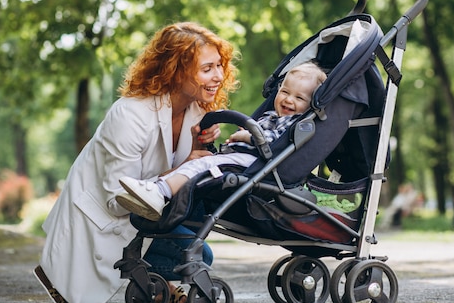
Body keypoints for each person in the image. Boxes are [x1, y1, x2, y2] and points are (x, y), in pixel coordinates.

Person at [33, 22, 239, 303]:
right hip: (104, 219)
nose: (218, 76)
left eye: (219, 65)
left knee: (198, 245)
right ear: (175, 70)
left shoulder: (198, 110)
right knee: (197, 255)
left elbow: (178, 175)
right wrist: (189, 164)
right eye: (207, 69)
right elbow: (117, 200)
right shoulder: (130, 115)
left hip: (145, 212)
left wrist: (195, 149)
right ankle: (62, 274)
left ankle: (157, 287)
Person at [116, 62, 327, 222]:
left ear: (310, 105)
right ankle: (153, 189)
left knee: (202, 165)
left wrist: (247, 136)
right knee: (199, 163)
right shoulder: (272, 115)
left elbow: (272, 141)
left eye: (299, 98)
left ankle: (159, 192)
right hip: (242, 158)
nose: (289, 100)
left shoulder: (295, 123)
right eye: (285, 92)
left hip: (257, 165)